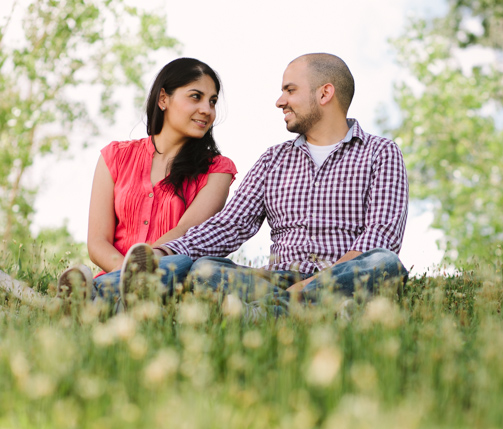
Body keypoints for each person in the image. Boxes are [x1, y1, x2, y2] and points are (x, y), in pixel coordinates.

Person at [149, 53, 408, 316]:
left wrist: (314, 283)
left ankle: (267, 313)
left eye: (290, 90)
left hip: (345, 274)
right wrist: (164, 250)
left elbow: (382, 236)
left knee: (382, 262)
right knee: (206, 269)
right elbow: (229, 225)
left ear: (325, 93)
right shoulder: (274, 159)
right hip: (278, 280)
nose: (280, 101)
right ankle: (317, 309)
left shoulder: (380, 152)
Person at [57, 57, 237, 305]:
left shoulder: (218, 170)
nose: (207, 109)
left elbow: (184, 234)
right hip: (116, 276)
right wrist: (128, 276)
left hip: (174, 279)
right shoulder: (115, 157)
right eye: (196, 96)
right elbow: (98, 242)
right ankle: (110, 299)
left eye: (213, 101)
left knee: (182, 260)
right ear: (163, 99)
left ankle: (83, 300)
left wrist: (141, 272)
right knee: (129, 294)